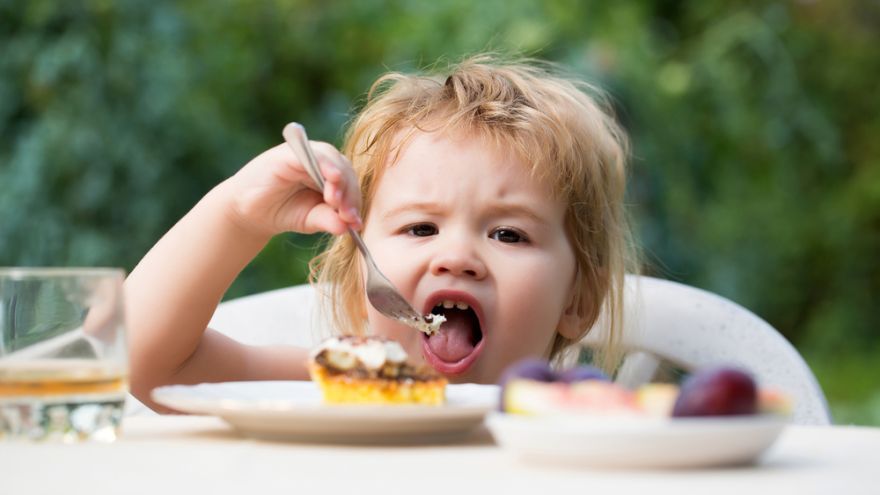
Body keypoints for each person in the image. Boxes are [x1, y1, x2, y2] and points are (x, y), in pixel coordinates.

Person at [125, 54, 638, 411]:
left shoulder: (579, 421)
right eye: (421, 227)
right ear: (357, 284)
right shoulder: (339, 389)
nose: (457, 257)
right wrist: (235, 215)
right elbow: (144, 364)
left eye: (508, 235)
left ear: (579, 299)